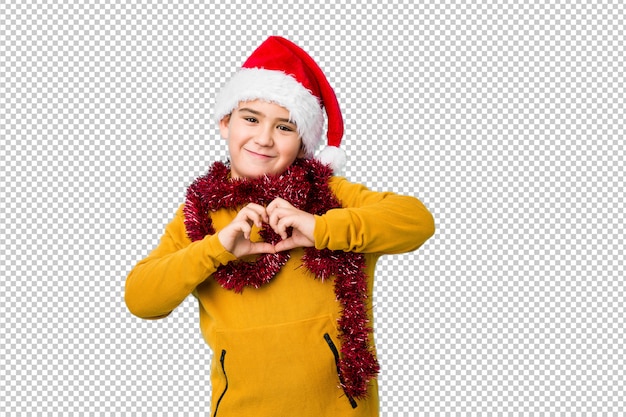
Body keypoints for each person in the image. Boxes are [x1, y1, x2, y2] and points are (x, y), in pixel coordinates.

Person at [125, 36, 435, 417]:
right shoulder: (201, 213)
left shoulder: (330, 196)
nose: (264, 139)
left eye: (284, 127)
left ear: (303, 142)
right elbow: (141, 299)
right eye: (251, 119)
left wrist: (321, 228)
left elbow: (416, 221)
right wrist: (216, 248)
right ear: (226, 123)